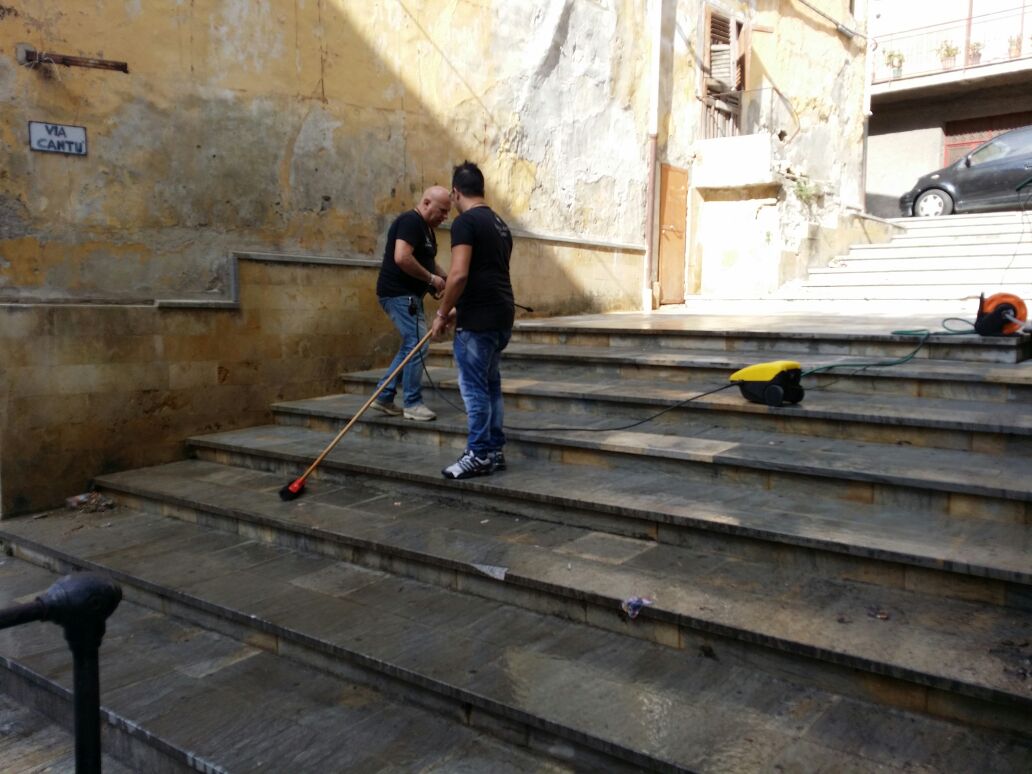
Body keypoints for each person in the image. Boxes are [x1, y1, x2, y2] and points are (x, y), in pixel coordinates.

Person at [431, 161, 514, 479]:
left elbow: (460, 273)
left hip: (478, 321)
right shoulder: (499, 223)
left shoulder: (465, 223)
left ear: (455, 193)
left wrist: (442, 312)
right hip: (500, 314)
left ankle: (478, 454)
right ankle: (494, 451)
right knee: (491, 385)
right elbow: (488, 275)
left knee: (475, 389)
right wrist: (458, 309)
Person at [372, 186, 451, 421]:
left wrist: (443, 279)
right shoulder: (410, 221)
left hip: (409, 296)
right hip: (398, 294)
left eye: (448, 212)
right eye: (442, 211)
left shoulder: (426, 229)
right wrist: (430, 279)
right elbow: (402, 257)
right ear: (426, 203)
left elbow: (427, 260)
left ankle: (384, 396)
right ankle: (412, 403)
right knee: (417, 344)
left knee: (411, 345)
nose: (445, 217)